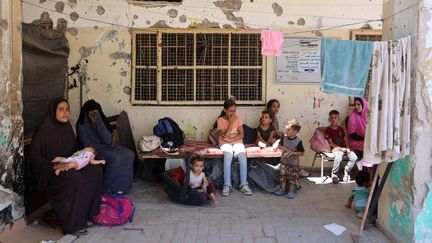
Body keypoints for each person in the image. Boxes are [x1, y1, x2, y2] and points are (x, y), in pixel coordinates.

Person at [30, 98, 103, 235]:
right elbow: (34, 158)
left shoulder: (67, 128)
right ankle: (73, 225)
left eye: (67, 109)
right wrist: (55, 165)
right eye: (61, 109)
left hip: (69, 165)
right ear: (53, 111)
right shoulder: (44, 131)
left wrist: (83, 154)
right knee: (73, 177)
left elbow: (73, 151)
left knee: (95, 169)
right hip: (52, 172)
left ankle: (87, 215)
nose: (65, 113)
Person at [76, 100, 134, 194]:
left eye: (96, 112)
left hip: (108, 146)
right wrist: (96, 123)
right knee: (117, 158)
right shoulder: (81, 125)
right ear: (86, 113)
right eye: (91, 112)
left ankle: (124, 187)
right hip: (94, 150)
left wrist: (98, 122)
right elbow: (88, 145)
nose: (94, 114)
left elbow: (107, 140)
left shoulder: (100, 120)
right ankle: (109, 189)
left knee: (129, 154)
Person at [217, 99, 253, 196]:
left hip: (236, 141)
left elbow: (242, 135)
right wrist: (231, 122)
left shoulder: (238, 118)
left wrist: (230, 139)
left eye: (234, 111)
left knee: (242, 156)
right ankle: (227, 185)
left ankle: (244, 184)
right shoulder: (220, 120)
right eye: (231, 111)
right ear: (225, 110)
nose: (233, 113)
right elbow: (224, 135)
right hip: (225, 143)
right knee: (228, 156)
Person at [325, 110, 358, 184]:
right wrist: (341, 149)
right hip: (336, 149)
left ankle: (346, 170)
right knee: (338, 158)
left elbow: (345, 138)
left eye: (335, 118)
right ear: (329, 119)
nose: (333, 119)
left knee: (354, 157)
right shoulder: (328, 130)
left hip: (344, 148)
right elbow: (330, 143)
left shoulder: (341, 129)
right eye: (332, 118)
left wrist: (347, 147)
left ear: (338, 119)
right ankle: (334, 173)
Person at [274, 123, 305, 199]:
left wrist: (292, 153)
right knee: (282, 176)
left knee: (292, 178)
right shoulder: (284, 138)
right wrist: (282, 148)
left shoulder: (298, 141)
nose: (286, 131)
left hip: (293, 164)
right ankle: (283, 189)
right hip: (283, 162)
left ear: (295, 131)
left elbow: (302, 152)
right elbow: (279, 146)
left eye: (288, 129)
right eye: (286, 129)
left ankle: (291, 191)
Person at [347, 97, 368, 161]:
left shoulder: (369, 114)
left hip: (369, 140)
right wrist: (365, 138)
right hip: (357, 141)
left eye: (358, 104)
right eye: (355, 104)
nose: (356, 106)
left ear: (363, 105)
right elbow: (352, 134)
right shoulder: (353, 116)